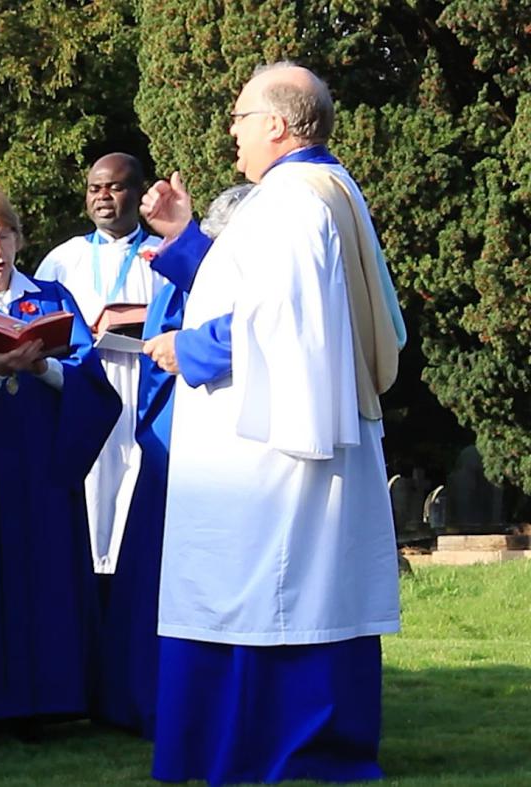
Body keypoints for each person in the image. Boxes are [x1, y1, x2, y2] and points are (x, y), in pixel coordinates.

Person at [139, 63, 405, 784]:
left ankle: (269, 752)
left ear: (278, 125)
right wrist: (185, 237)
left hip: (272, 455)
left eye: (240, 116)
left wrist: (187, 348)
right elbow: (263, 296)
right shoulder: (325, 189)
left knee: (270, 595)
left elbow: (277, 322)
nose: (233, 130)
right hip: (300, 436)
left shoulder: (289, 204)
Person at [0, 184, 119, 728]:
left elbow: (93, 383)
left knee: (46, 577)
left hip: (40, 465)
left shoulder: (51, 298)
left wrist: (42, 367)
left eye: (4, 236)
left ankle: (52, 699)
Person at [98, 182, 254, 740]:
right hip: (184, 444)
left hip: (186, 443)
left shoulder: (210, 270)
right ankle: (161, 698)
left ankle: (154, 697)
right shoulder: (206, 273)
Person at [35, 154, 163, 582]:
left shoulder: (160, 255)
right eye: (95, 188)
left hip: (141, 391)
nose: (103, 196)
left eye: (115, 187)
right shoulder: (62, 259)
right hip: (79, 391)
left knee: (135, 491)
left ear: (138, 192)